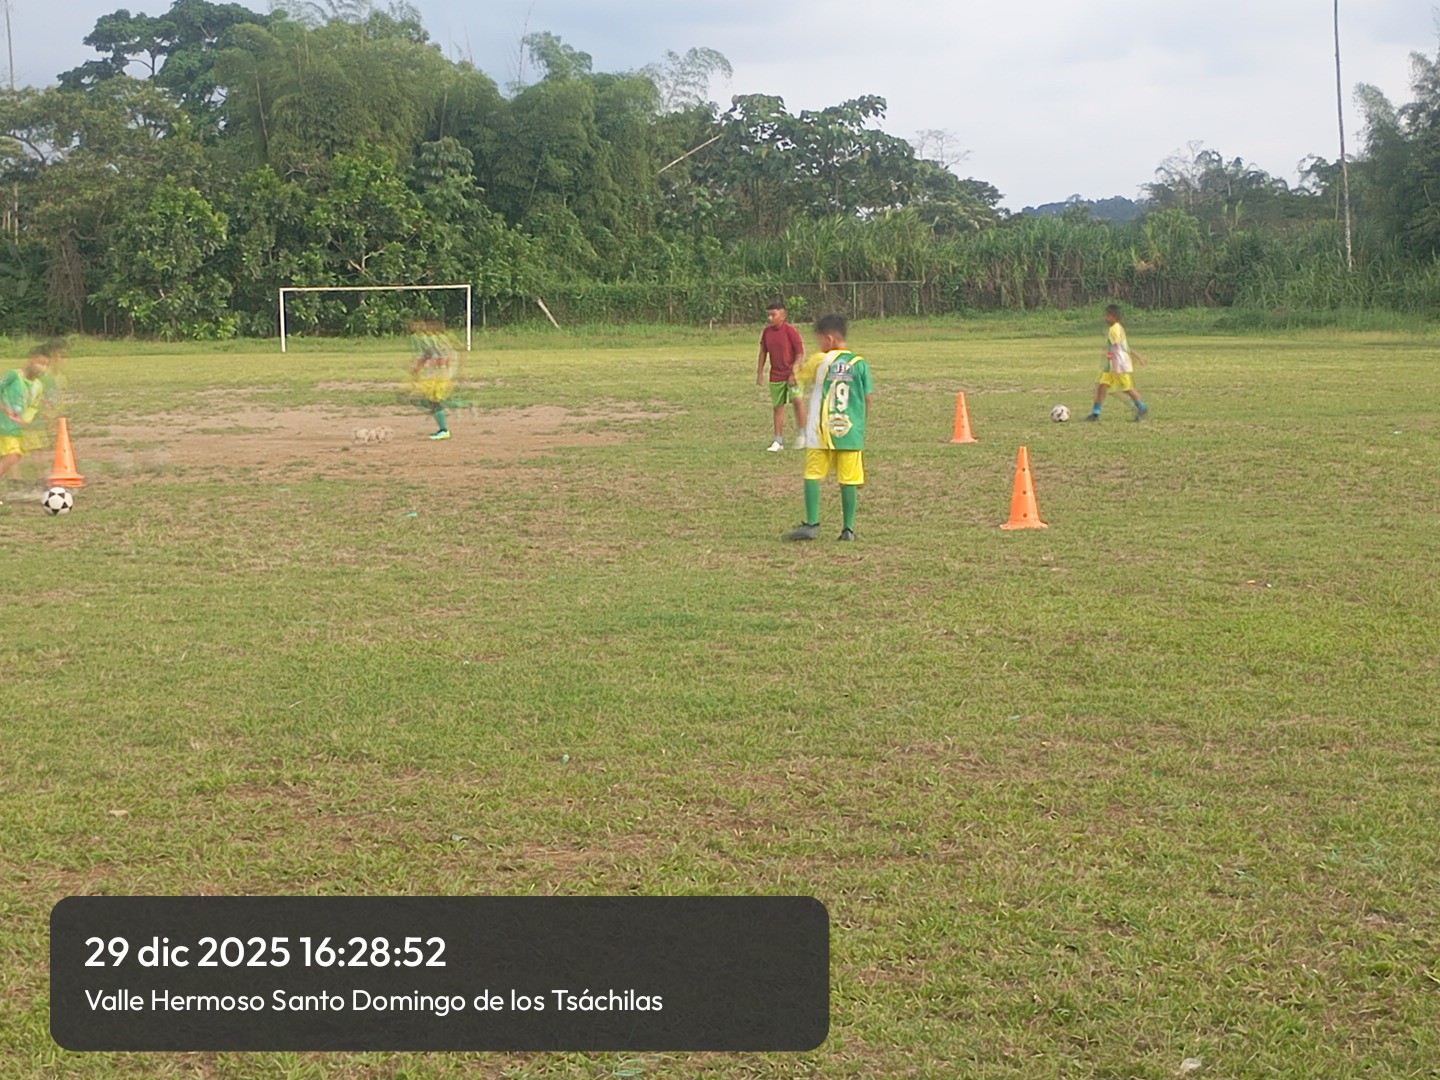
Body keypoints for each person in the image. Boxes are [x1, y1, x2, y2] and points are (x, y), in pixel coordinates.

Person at [784, 313, 873, 542]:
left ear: (829, 339)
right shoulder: (860, 363)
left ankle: (812, 524)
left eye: (820, 340)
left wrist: (795, 369)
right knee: (849, 479)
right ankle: (848, 530)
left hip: (821, 431)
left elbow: (796, 379)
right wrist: (860, 422)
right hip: (850, 432)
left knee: (812, 474)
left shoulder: (820, 360)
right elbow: (868, 397)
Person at [0, 343, 58, 493]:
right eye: (40, 363)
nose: (42, 368)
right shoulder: (14, 375)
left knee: (16, 455)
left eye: (46, 365)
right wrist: (5, 408)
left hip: (17, 427)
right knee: (12, 456)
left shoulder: (38, 385)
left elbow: (33, 406)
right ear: (31, 360)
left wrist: (25, 421)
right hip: (4, 424)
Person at [756, 300, 807, 451]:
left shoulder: (790, 331)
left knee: (797, 400)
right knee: (778, 407)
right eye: (768, 315)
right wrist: (760, 372)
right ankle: (778, 441)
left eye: (773, 315)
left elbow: (800, 353)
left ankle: (803, 434)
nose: (770, 318)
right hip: (776, 375)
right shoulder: (767, 332)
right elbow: (763, 352)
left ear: (783, 315)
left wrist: (794, 372)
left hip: (792, 373)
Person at [1086, 304, 1149, 421]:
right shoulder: (1118, 327)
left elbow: (1116, 349)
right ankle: (1095, 414)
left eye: (1107, 316)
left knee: (1127, 388)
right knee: (1101, 387)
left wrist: (1115, 368)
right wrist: (1138, 356)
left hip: (1119, 365)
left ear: (1114, 317)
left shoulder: (1114, 330)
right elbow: (1125, 347)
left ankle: (1142, 408)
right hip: (1112, 365)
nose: (1105, 318)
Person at [407, 320, 460, 440]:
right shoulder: (439, 339)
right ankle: (442, 420)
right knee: (429, 400)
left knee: (432, 401)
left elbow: (432, 354)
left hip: (439, 377)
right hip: (439, 375)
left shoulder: (433, 340)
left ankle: (444, 430)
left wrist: (419, 367)